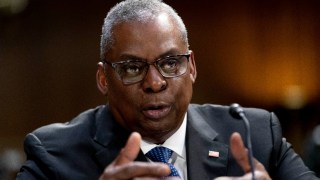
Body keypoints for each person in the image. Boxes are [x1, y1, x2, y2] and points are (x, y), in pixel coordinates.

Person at [17, 0, 318, 179]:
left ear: (193, 67)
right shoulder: (54, 156)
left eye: (171, 63)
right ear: (103, 79)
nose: (155, 82)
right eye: (132, 68)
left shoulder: (256, 135)